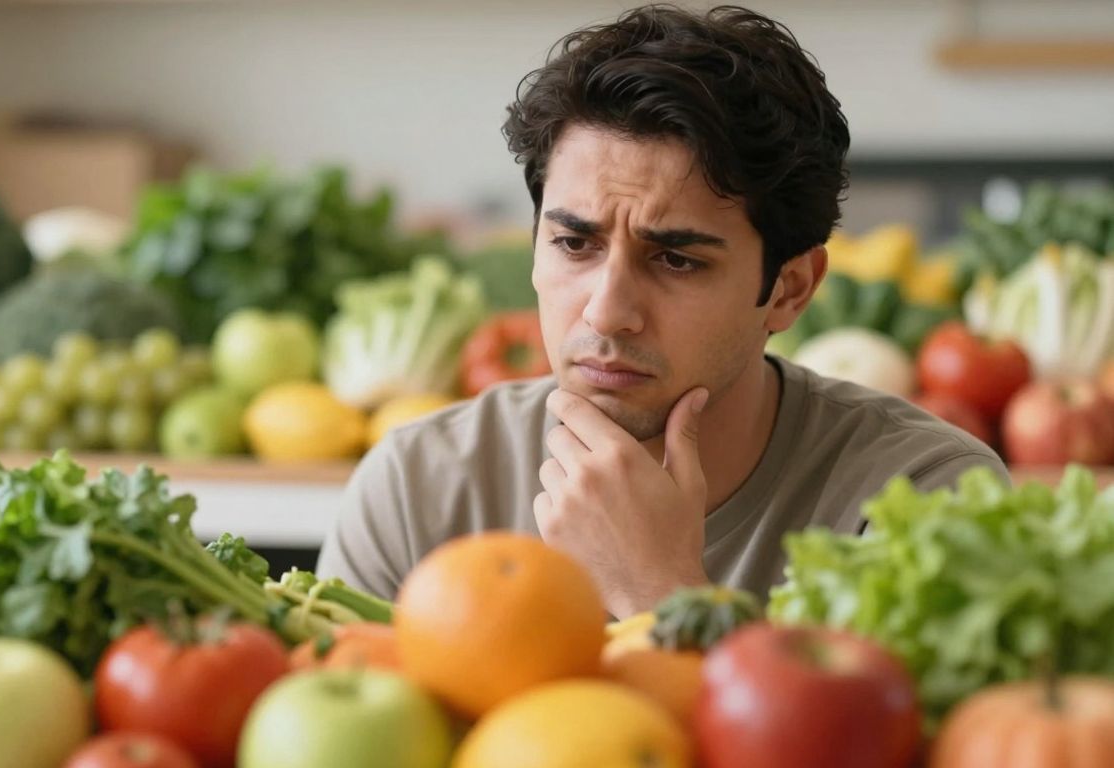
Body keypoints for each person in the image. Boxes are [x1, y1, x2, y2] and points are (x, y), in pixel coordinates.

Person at [315, 3, 1006, 617]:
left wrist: (660, 592)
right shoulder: (419, 487)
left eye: (677, 259)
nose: (608, 313)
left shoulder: (927, 500)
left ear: (791, 288)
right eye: (573, 242)